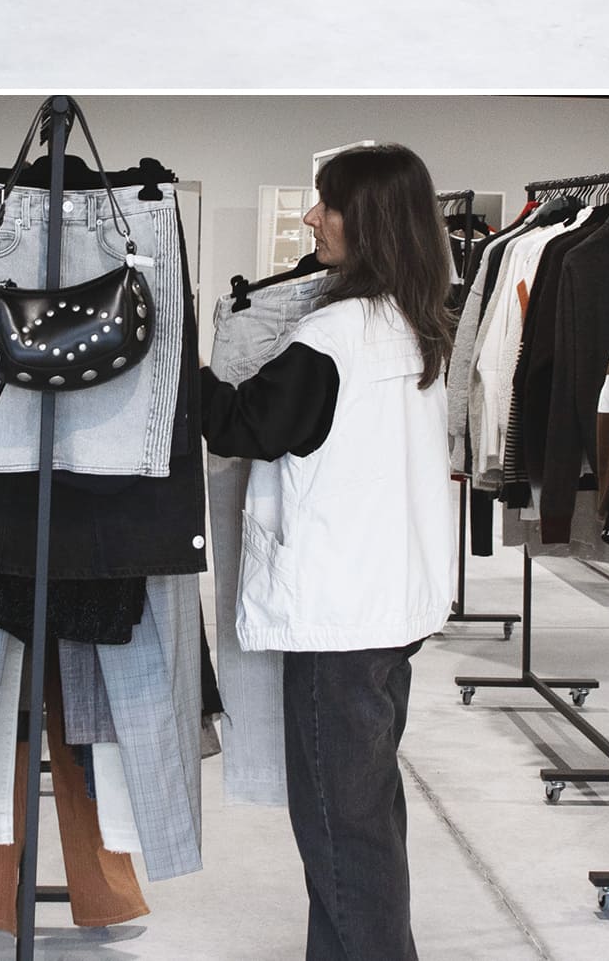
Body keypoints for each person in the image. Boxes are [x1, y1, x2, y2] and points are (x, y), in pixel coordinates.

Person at [201, 143, 456, 961]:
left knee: (340, 828)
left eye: (328, 204)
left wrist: (172, 364)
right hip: (388, 603)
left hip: (337, 615)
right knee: (364, 812)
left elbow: (243, 425)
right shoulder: (414, 322)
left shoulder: (332, 335)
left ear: (370, 219)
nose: (312, 217)